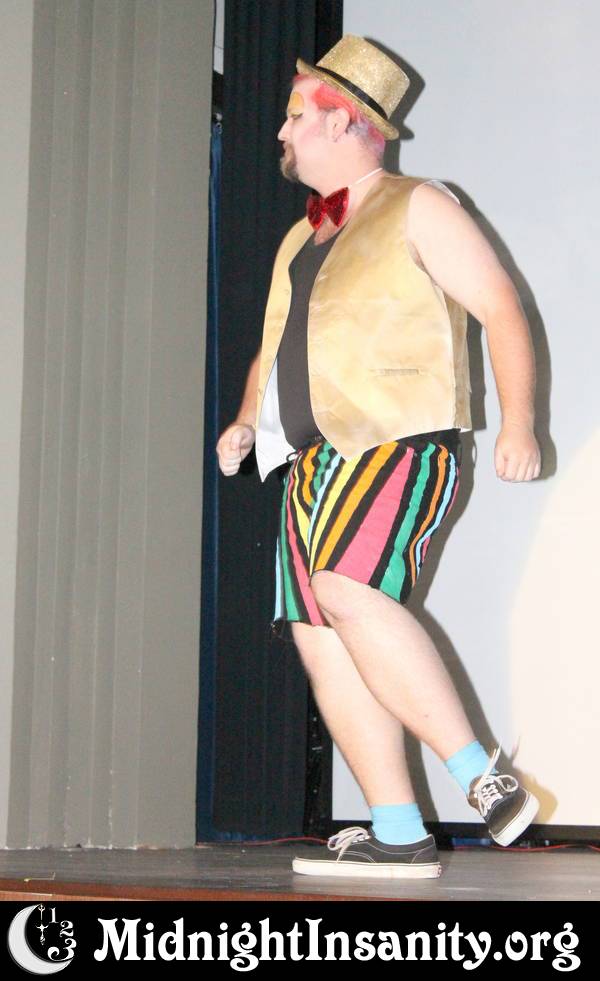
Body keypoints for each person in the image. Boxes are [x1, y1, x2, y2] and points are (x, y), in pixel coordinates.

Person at [216, 35, 541, 879]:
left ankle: (481, 772)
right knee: (320, 634)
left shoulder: (420, 205)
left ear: (342, 122)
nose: (281, 132)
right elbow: (274, 343)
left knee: (347, 589)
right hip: (311, 460)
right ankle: (397, 829)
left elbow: (500, 305)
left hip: (399, 439)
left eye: (294, 116)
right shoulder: (302, 235)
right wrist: (246, 419)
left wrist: (520, 422)